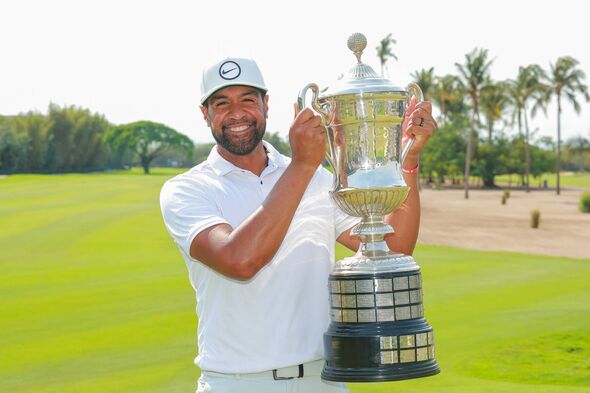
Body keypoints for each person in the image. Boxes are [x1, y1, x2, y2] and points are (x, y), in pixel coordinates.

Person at [159, 57, 436, 393]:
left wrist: (409, 159)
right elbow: (239, 260)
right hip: (238, 383)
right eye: (222, 103)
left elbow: (394, 249)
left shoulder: (318, 179)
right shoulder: (188, 189)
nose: (236, 113)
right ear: (205, 114)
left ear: (266, 104)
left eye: (247, 99)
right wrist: (304, 164)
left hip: (323, 380)